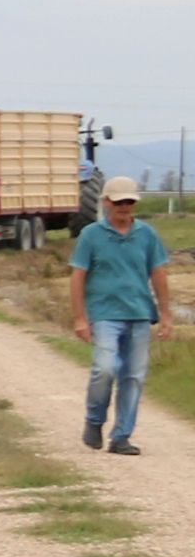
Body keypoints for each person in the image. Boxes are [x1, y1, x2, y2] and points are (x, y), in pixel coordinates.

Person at [70, 174, 172, 457]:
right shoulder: (91, 235)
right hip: (104, 314)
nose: (124, 207)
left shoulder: (147, 234)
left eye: (129, 202)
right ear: (106, 203)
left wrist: (165, 314)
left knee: (134, 376)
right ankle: (94, 421)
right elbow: (78, 277)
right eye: (119, 202)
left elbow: (158, 273)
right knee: (105, 368)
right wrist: (80, 318)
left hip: (139, 313)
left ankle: (121, 437)